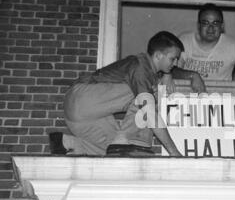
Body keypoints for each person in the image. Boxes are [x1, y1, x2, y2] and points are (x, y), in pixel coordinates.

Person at [49, 31, 206, 157]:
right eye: (173, 59)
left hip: (76, 116)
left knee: (114, 151)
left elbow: (170, 69)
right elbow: (149, 114)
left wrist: (189, 75)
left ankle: (65, 143)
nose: (176, 63)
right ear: (158, 55)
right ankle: (136, 142)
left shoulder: (149, 69)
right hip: (82, 96)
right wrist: (174, 152)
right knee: (149, 98)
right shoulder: (140, 66)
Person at [172, 3, 235, 109]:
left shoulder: (234, 46)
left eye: (215, 23)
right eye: (205, 23)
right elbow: (171, 70)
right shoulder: (184, 41)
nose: (210, 28)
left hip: (220, 105)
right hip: (187, 102)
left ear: (222, 26)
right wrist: (193, 75)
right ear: (199, 25)